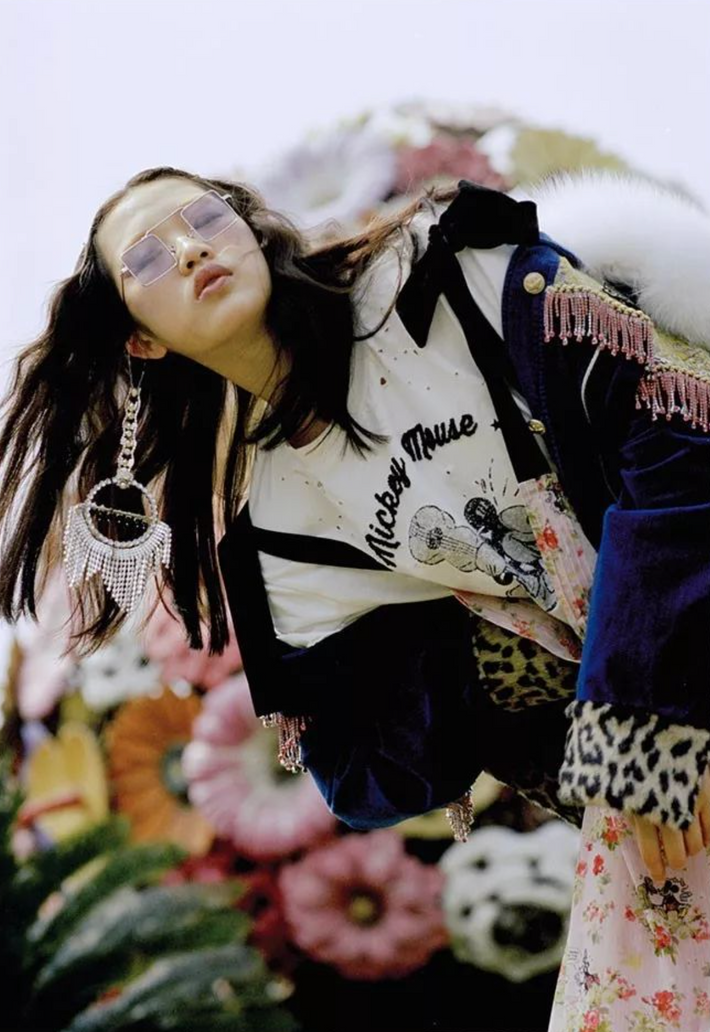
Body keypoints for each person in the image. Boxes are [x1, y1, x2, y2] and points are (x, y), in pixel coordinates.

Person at [1, 165, 710, 1016]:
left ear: (250, 230)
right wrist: (470, 668)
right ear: (140, 341)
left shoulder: (444, 278)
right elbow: (377, 773)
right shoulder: (283, 521)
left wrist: (638, 733)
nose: (189, 250)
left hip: (665, 681)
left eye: (206, 219)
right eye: (148, 258)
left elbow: (678, 452)